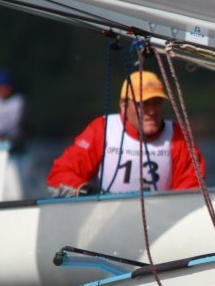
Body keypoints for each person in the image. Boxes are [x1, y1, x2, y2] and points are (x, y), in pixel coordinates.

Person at [47, 70, 205, 197]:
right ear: (123, 106)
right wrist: (87, 192)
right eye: (143, 104)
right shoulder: (102, 129)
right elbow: (59, 175)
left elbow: (191, 190)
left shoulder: (178, 136)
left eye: (156, 103)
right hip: (105, 217)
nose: (151, 111)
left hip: (161, 220)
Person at [0, 69, 26, 153]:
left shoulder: (18, 101)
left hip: (14, 141)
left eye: (5, 87)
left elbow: (13, 123)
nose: (2, 90)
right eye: (0, 87)